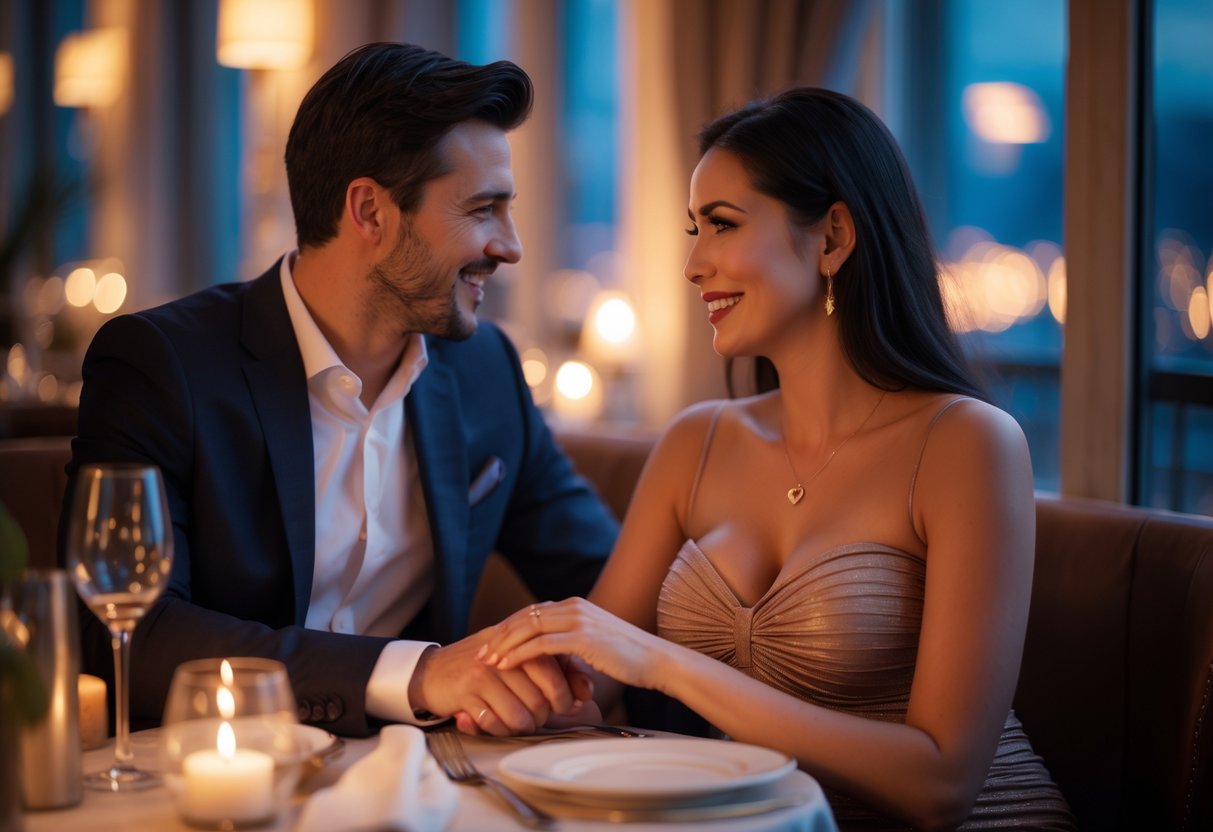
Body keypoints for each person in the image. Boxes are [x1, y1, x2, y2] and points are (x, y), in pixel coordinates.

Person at [478, 88, 1076, 830]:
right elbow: (590, 678)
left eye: (722, 225)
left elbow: (942, 784)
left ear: (832, 239)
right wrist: (504, 686)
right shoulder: (696, 443)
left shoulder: (967, 444)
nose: (693, 265)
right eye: (694, 229)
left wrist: (663, 664)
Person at [59, 42, 618, 739]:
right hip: (214, 770)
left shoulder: (486, 373)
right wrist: (417, 673)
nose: (511, 246)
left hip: (425, 779)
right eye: (483, 210)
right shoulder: (162, 364)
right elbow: (121, 631)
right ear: (370, 211)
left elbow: (604, 577)